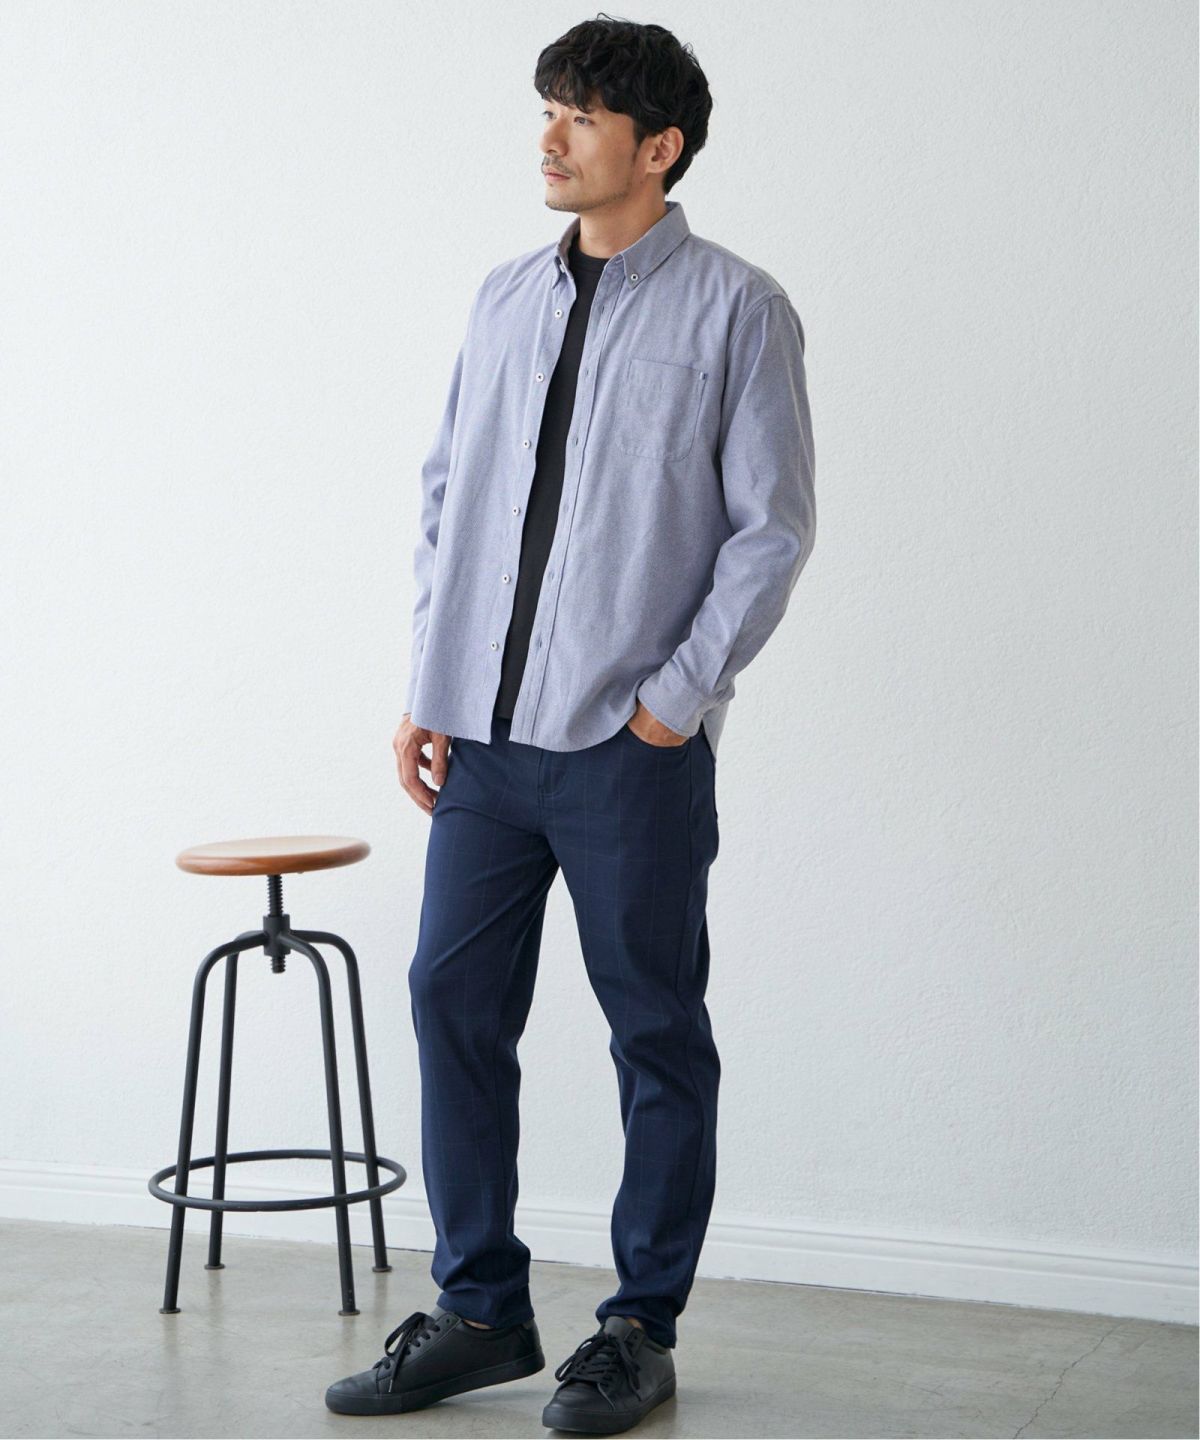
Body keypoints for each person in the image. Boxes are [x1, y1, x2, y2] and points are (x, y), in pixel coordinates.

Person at [325, 14, 815, 1434]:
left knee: (652, 1028)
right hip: (484, 742)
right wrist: (430, 688)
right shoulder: (502, 298)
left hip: (627, 753)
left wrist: (673, 706)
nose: (549, 137)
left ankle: (638, 1327)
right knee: (450, 1001)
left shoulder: (739, 310)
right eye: (547, 107)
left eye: (582, 115)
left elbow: (771, 531)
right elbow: (449, 497)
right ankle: (481, 1309)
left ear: (659, 148)